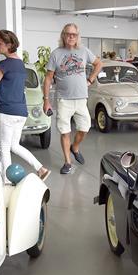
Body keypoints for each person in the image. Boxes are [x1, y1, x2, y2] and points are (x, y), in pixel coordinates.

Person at [0, 30, 50, 183]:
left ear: (9, 45)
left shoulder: (3, 65)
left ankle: (7, 181)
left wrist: (2, 96)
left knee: (4, 149)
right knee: (14, 146)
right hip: (21, 112)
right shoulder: (21, 64)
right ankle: (41, 169)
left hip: (7, 112)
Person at [44, 23, 102, 175]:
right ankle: (67, 162)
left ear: (77, 36)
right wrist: (46, 100)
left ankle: (75, 147)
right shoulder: (56, 54)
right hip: (64, 100)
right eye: (68, 34)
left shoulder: (84, 51)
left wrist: (90, 79)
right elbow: (48, 78)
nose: (71, 37)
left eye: (74, 34)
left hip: (81, 99)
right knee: (65, 131)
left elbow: (98, 63)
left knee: (84, 128)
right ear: (63, 35)